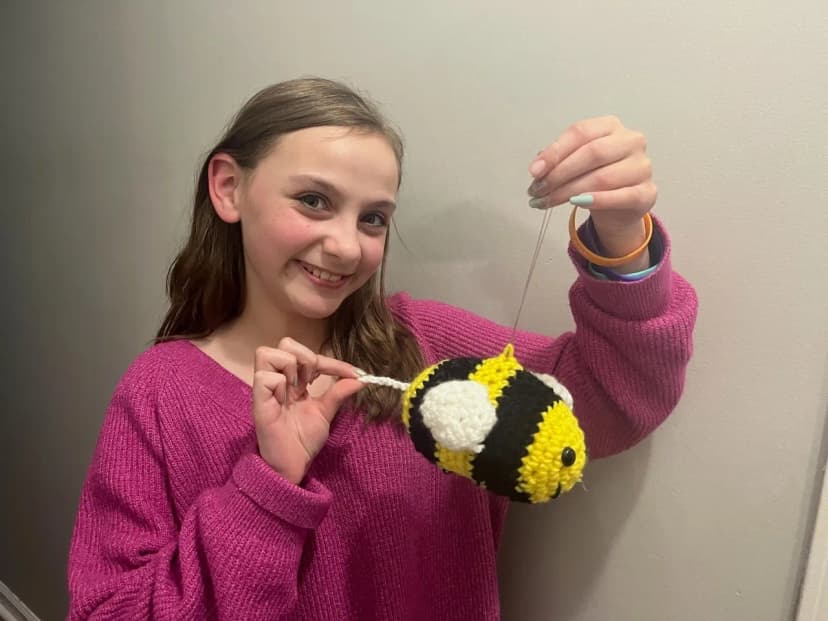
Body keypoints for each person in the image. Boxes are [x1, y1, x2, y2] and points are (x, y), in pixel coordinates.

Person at [66, 77, 698, 620]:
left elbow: (614, 397)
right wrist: (267, 487)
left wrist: (621, 235)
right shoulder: (160, 394)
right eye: (314, 201)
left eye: (373, 218)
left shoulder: (428, 347)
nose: (347, 246)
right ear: (229, 187)